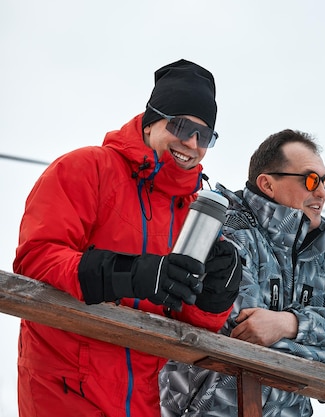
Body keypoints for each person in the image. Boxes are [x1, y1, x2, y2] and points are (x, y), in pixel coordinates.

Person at [13, 59, 242, 417]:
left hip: (141, 399)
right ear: (152, 121)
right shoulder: (86, 168)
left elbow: (193, 322)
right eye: (181, 126)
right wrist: (132, 274)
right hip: (63, 386)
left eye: (205, 135)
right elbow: (36, 259)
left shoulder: (192, 213)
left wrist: (216, 295)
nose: (192, 143)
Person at [159, 129, 325, 416]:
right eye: (311, 179)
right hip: (208, 408)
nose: (322, 192)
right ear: (267, 184)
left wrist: (291, 324)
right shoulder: (227, 228)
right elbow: (243, 337)